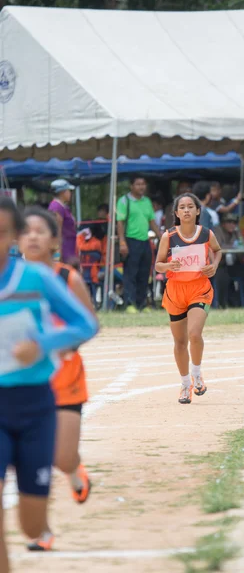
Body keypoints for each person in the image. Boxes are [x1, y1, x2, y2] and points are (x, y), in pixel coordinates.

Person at [0, 197, 98, 572]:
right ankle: (42, 533)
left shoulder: (55, 279)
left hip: (56, 383)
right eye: (29, 232)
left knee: (60, 459)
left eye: (42, 232)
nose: (33, 238)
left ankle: (73, 473)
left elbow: (86, 323)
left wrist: (43, 345)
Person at [155, 193, 221, 405]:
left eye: (190, 206)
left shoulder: (206, 234)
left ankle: (197, 374)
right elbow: (158, 264)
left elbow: (218, 251)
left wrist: (214, 265)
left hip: (199, 288)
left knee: (194, 333)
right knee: (180, 341)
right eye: (181, 207)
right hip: (175, 292)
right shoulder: (169, 236)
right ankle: (185, 384)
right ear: (176, 213)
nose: (186, 210)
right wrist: (168, 266)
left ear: (198, 211)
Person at [117, 176, 161, 314]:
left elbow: (152, 221)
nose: (141, 187)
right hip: (130, 240)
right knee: (131, 273)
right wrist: (122, 242)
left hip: (145, 241)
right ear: (131, 186)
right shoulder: (124, 201)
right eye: (138, 184)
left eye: (143, 184)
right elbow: (120, 222)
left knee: (144, 273)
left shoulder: (147, 201)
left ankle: (142, 303)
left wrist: (161, 236)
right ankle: (130, 303)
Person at [214, 214, 244, 308]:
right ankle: (222, 305)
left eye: (234, 223)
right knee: (222, 279)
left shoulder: (236, 232)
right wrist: (233, 246)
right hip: (220, 264)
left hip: (234, 264)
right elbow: (218, 247)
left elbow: (241, 245)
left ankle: (239, 302)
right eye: (229, 222)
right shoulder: (217, 231)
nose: (232, 225)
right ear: (223, 223)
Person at [48, 179, 77, 264]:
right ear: (62, 192)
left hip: (70, 247)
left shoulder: (63, 207)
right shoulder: (56, 207)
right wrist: (58, 254)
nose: (70, 193)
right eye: (68, 191)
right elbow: (57, 231)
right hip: (64, 250)